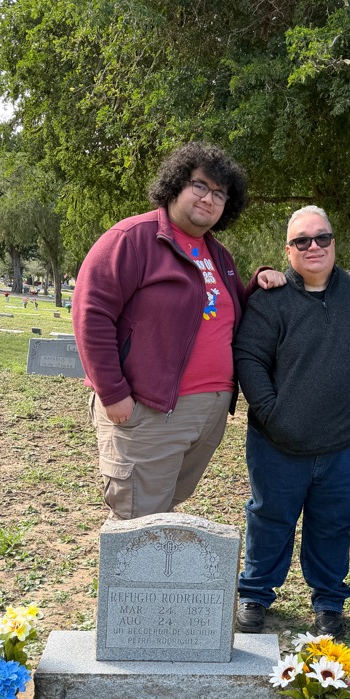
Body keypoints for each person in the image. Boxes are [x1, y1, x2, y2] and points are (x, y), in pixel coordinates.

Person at [73, 142, 283, 520]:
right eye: (200, 185)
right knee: (137, 517)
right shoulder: (133, 238)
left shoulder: (218, 254)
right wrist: (112, 391)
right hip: (150, 408)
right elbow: (91, 313)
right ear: (175, 185)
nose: (209, 198)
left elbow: (227, 312)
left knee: (163, 507)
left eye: (220, 193)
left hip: (208, 411)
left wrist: (258, 283)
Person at [233, 206, 350, 636]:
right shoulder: (270, 299)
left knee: (332, 525)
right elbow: (249, 357)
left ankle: (329, 602)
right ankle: (255, 593)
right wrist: (272, 413)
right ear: (288, 250)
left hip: (344, 442)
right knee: (269, 518)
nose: (314, 247)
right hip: (276, 440)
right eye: (302, 240)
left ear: (334, 242)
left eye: (322, 238)